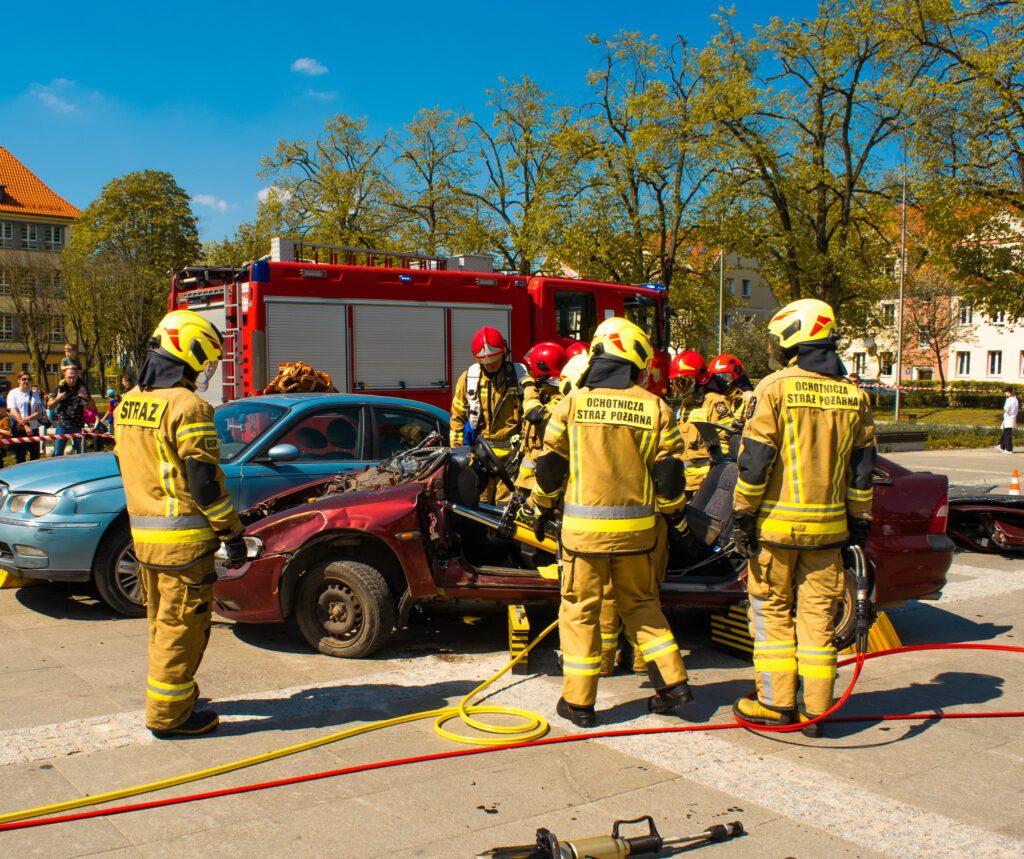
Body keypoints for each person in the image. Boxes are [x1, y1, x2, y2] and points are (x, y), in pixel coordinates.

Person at [531, 317, 694, 727]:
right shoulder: (655, 406)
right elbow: (670, 475)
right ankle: (673, 684)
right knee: (641, 606)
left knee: (580, 611)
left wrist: (541, 507)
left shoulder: (571, 404)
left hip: (584, 538)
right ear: (634, 360)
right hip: (639, 536)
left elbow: (550, 468)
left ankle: (580, 704)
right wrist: (674, 516)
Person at [731, 298, 875, 737]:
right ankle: (816, 710)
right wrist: (860, 520)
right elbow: (862, 470)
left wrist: (742, 514)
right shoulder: (855, 396)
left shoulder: (775, 388)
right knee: (818, 619)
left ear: (795, 335)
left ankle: (775, 705)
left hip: (775, 530)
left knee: (772, 615)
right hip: (829, 534)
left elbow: (756, 462)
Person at [114, 309, 247, 738]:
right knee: (182, 626)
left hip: (145, 540)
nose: (202, 372)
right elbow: (203, 482)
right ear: (186, 352)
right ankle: (169, 715)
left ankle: (175, 692)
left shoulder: (129, 402)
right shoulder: (188, 406)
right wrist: (231, 530)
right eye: (202, 361)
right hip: (184, 544)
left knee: (160, 620)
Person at [449, 327, 526, 504]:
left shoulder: (519, 377)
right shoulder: (469, 379)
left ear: (504, 354)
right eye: (485, 361)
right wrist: (459, 456)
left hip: (511, 461)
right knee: (478, 507)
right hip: (479, 459)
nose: (490, 365)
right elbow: (457, 419)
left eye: (494, 360)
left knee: (506, 509)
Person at [515, 342, 567, 494]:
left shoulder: (559, 397)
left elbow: (535, 415)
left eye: (531, 369)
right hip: (528, 483)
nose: (529, 372)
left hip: (543, 485)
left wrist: (529, 386)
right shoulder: (543, 394)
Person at [48, 365, 90, 456]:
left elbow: (91, 406)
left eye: (73, 377)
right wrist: (57, 399)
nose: (71, 380)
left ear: (77, 376)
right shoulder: (60, 387)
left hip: (78, 424)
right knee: (57, 452)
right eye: (69, 377)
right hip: (62, 424)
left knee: (82, 452)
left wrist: (84, 397)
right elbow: (50, 406)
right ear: (65, 376)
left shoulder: (82, 387)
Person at [6, 373, 42, 464]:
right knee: (20, 457)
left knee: (35, 456)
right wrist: (25, 425)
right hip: (19, 429)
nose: (26, 381)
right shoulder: (13, 393)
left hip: (33, 428)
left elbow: (38, 412)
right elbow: (13, 411)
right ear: (18, 380)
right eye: (24, 379)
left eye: (29, 379)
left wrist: (27, 419)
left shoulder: (35, 394)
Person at [998, 387, 1018, 453]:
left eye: (1005, 392)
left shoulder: (1009, 400)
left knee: (1007, 433)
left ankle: (1009, 449)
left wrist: (1004, 408)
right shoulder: (1015, 399)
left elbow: (1007, 409)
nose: (1005, 393)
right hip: (1013, 417)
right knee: (1006, 432)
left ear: (1009, 392)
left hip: (1008, 417)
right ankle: (1002, 445)